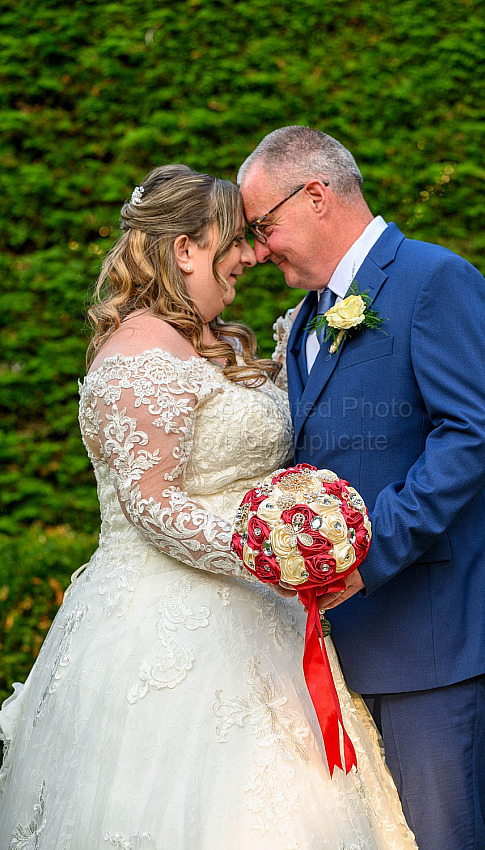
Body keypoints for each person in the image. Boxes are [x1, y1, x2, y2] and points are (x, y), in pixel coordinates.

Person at [0, 164, 418, 849]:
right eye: (235, 241)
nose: (252, 255)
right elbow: (152, 504)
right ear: (186, 249)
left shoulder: (216, 341)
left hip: (261, 619)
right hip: (166, 628)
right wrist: (273, 550)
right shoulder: (139, 353)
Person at [238, 127, 485, 850]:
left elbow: (474, 432)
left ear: (315, 195)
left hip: (427, 636)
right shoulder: (307, 315)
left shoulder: (433, 280)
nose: (255, 249)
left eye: (262, 226)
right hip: (339, 647)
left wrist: (364, 554)